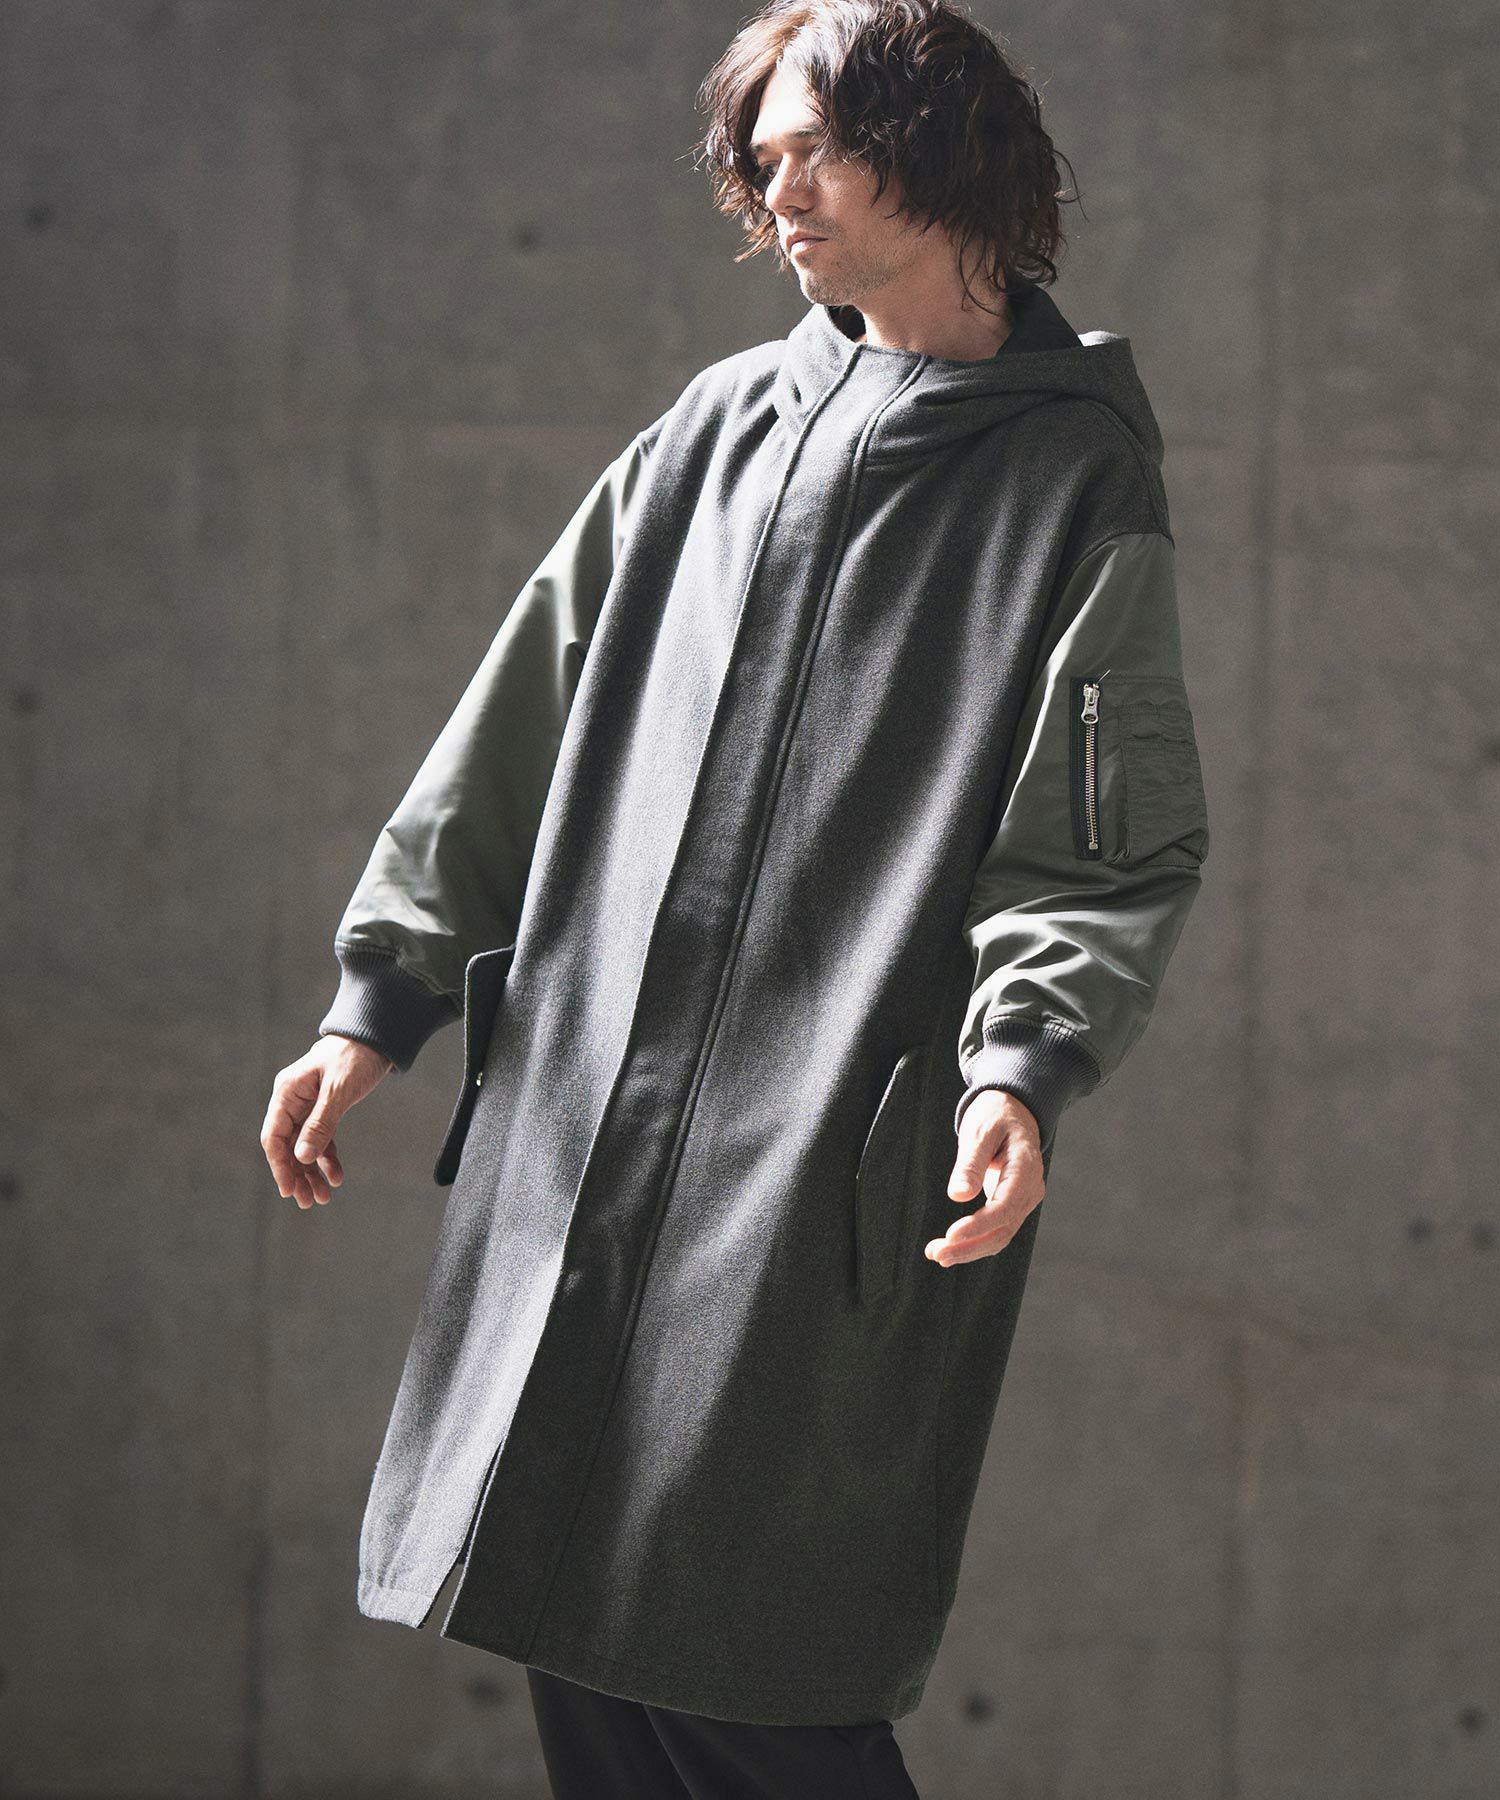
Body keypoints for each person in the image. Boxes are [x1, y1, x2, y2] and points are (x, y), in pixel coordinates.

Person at [260, 2, 1211, 1794]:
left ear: (939, 152)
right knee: (573, 1631)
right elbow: (520, 717)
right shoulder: (719, 427)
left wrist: (1020, 1069)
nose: (778, 191)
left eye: (816, 149)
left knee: (745, 1663)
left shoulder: (1070, 474)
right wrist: (378, 998)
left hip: (821, 1151)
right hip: (584, 1118)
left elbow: (1099, 834)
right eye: (760, 159)